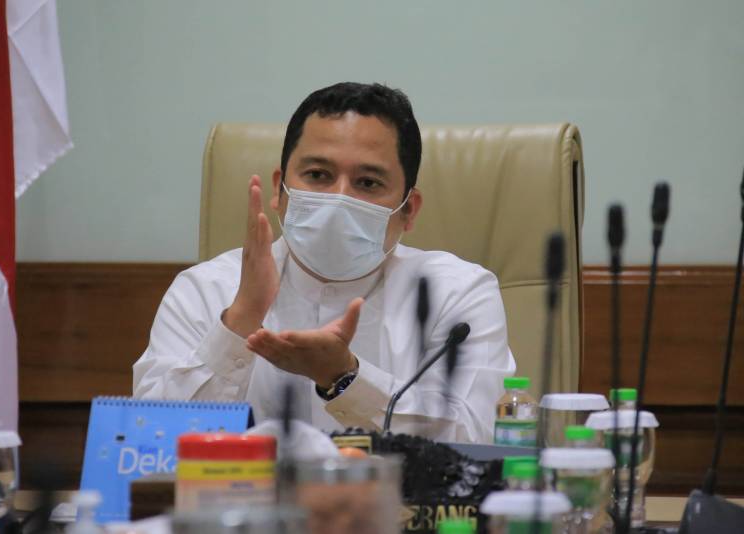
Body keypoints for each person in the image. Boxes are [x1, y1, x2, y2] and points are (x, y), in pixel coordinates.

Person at [133, 82, 515, 443]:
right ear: (280, 190)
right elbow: (150, 444)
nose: (338, 200)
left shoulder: (457, 294)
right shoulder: (204, 289)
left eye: (368, 183)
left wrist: (344, 377)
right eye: (318, 175)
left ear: (408, 210)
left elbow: (475, 440)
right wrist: (241, 319)